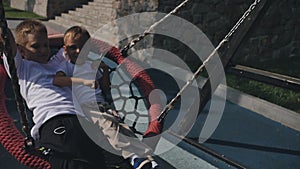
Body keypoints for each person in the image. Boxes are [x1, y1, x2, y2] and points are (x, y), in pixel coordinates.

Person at [1, 19, 110, 169]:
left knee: (96, 162)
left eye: (45, 45)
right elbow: (8, 40)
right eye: (35, 46)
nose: (43, 50)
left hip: (82, 120)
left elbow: (68, 40)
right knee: (69, 164)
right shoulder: (22, 67)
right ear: (21, 50)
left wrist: (46, 39)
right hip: (53, 119)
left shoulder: (56, 62)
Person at [53, 26, 162, 169]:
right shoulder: (66, 66)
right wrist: (81, 81)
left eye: (83, 47)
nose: (79, 51)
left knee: (125, 129)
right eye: (73, 48)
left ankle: (149, 160)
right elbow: (57, 81)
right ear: (65, 49)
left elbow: (104, 88)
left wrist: (103, 70)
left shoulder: (91, 65)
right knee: (110, 127)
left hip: (103, 105)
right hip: (86, 108)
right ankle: (133, 157)